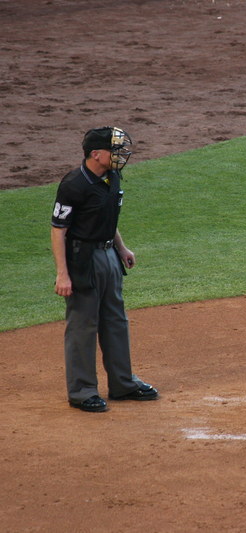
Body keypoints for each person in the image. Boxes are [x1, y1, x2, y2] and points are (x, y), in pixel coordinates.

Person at [50, 126, 158, 412]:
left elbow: (108, 215)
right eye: (115, 150)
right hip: (83, 260)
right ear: (95, 154)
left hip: (109, 254)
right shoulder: (74, 184)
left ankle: (123, 383)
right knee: (83, 324)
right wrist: (62, 273)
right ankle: (83, 391)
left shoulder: (112, 177)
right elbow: (58, 230)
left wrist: (121, 248)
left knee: (115, 319)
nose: (121, 155)